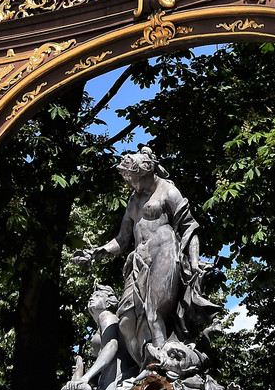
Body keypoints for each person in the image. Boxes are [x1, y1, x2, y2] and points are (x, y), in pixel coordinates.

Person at [73, 147, 220, 368]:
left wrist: (195, 261)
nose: (130, 184)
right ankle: (143, 364)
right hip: (138, 259)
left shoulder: (168, 191)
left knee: (154, 313)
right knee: (125, 321)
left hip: (165, 251)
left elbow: (190, 227)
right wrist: (97, 252)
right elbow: (122, 239)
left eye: (133, 178)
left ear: (147, 171)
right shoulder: (133, 200)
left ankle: (160, 368)